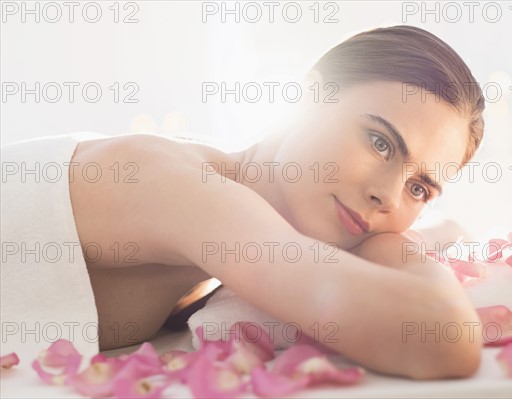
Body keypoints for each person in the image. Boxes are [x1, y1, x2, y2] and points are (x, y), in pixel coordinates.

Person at [22, 25, 487, 379]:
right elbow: (445, 339)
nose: (387, 194)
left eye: (419, 189)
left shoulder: (239, 206)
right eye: (380, 143)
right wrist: (393, 248)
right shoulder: (171, 183)